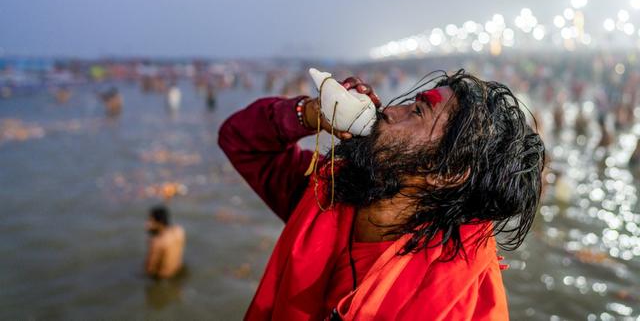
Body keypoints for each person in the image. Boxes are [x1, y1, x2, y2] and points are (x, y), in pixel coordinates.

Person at [219, 70, 545, 320]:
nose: (389, 110)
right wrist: (310, 114)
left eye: (418, 111)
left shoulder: (457, 302)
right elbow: (238, 139)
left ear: (446, 174)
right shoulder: (328, 191)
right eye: (411, 102)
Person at [145, 205, 186, 279]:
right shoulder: (179, 231)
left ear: (159, 223)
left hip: (163, 278)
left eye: (151, 221)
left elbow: (150, 269)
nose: (147, 224)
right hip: (178, 271)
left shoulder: (157, 242)